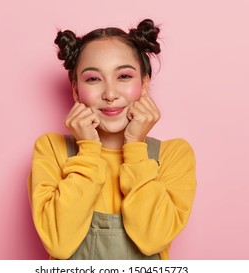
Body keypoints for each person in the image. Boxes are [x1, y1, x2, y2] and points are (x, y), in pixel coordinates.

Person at [28, 18, 197, 260]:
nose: (109, 94)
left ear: (145, 84)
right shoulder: (51, 149)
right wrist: (87, 150)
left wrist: (136, 147)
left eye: (124, 76)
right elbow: (59, 244)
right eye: (93, 79)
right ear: (76, 90)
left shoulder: (173, 155)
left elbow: (153, 240)